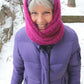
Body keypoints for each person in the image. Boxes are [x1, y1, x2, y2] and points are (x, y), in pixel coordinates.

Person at [11, 0, 81, 84]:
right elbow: (18, 71)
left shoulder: (70, 37)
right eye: (34, 13)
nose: (40, 21)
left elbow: (74, 72)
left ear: (55, 12)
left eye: (46, 12)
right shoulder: (20, 38)